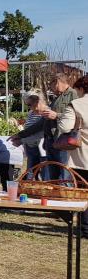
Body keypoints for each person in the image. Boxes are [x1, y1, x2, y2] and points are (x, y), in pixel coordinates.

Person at [12, 73, 78, 180]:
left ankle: (64, 191)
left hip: (63, 141)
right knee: (52, 178)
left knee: (64, 176)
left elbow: (77, 116)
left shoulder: (73, 94)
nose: (50, 89)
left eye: (50, 85)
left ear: (56, 82)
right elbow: (41, 123)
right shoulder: (57, 98)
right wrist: (20, 134)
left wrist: (57, 115)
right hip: (51, 142)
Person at [55, 75, 88, 234]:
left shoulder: (76, 104)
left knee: (83, 192)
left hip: (83, 157)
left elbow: (64, 126)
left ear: (81, 89)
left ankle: (85, 227)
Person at [18, 91, 47, 179]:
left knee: (44, 172)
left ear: (39, 101)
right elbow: (28, 128)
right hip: (30, 146)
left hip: (42, 147)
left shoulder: (46, 112)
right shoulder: (31, 113)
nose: (29, 107)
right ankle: (30, 186)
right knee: (30, 172)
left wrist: (22, 139)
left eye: (30, 104)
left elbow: (40, 132)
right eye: (28, 105)